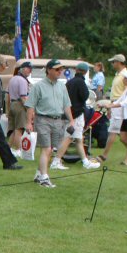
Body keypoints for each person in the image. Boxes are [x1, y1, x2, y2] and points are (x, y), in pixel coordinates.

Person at [25, 59, 74, 188]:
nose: (60, 72)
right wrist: (28, 122)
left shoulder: (62, 86)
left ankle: (38, 173)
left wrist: (72, 120)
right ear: (49, 70)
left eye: (61, 69)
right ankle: (44, 178)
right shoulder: (38, 86)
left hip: (58, 120)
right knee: (46, 148)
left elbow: (67, 105)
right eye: (57, 69)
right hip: (42, 120)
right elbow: (30, 106)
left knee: (50, 149)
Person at [55, 62, 101, 169]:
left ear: (76, 70)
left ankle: (85, 162)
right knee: (69, 138)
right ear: (85, 72)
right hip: (76, 114)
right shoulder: (81, 82)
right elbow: (85, 96)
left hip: (67, 113)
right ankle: (56, 161)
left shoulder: (69, 82)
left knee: (78, 139)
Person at [100, 54, 127, 165]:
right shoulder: (118, 75)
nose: (112, 64)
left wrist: (112, 106)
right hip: (117, 106)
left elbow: (124, 100)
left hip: (123, 109)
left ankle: (104, 156)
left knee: (113, 131)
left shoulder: (125, 75)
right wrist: (109, 106)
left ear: (119, 62)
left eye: (113, 62)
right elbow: (117, 97)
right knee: (122, 137)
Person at [7, 61, 32, 150]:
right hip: (19, 105)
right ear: (23, 69)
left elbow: (8, 95)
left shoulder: (13, 78)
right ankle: (18, 149)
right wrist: (29, 109)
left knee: (14, 129)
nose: (30, 71)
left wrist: (8, 109)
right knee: (19, 129)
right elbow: (23, 97)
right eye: (29, 69)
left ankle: (8, 148)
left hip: (12, 104)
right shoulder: (22, 80)